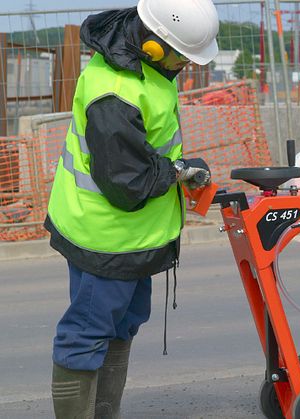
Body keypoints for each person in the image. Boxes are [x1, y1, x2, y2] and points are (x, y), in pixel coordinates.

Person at [45, 0, 219, 417]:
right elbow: (127, 184)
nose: (186, 66)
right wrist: (178, 171)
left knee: (122, 326)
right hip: (105, 239)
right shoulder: (115, 94)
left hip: (135, 237)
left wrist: (176, 171)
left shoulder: (148, 66)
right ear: (154, 44)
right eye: (183, 55)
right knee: (86, 335)